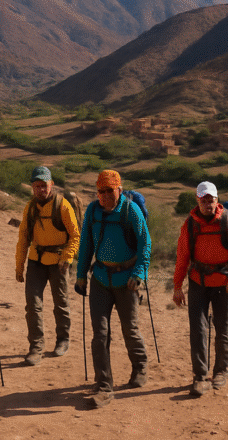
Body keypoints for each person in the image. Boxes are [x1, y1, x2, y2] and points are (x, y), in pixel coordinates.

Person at [74, 169, 151, 409]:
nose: (105, 195)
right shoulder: (92, 211)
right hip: (100, 279)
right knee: (100, 334)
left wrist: (139, 273)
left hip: (126, 281)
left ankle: (140, 367)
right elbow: (86, 243)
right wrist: (80, 275)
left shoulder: (131, 211)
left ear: (119, 189)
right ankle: (104, 385)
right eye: (101, 191)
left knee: (130, 329)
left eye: (110, 190)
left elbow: (145, 244)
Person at [172, 181, 228, 397]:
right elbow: (182, 257)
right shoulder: (190, 225)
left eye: (211, 200)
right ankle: (199, 376)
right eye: (204, 200)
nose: (208, 204)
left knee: (223, 330)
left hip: (224, 286)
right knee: (198, 330)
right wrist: (178, 287)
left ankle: (221, 372)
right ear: (198, 200)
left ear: (217, 200)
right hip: (198, 282)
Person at [15, 165, 80, 365]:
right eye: (36, 186)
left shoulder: (63, 206)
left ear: (51, 184)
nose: (41, 190)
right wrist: (19, 267)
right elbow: (23, 238)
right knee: (33, 306)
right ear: (32, 187)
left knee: (60, 303)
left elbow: (76, 236)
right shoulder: (30, 207)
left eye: (44, 185)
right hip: (36, 261)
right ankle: (36, 346)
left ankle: (63, 339)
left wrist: (67, 258)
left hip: (58, 262)